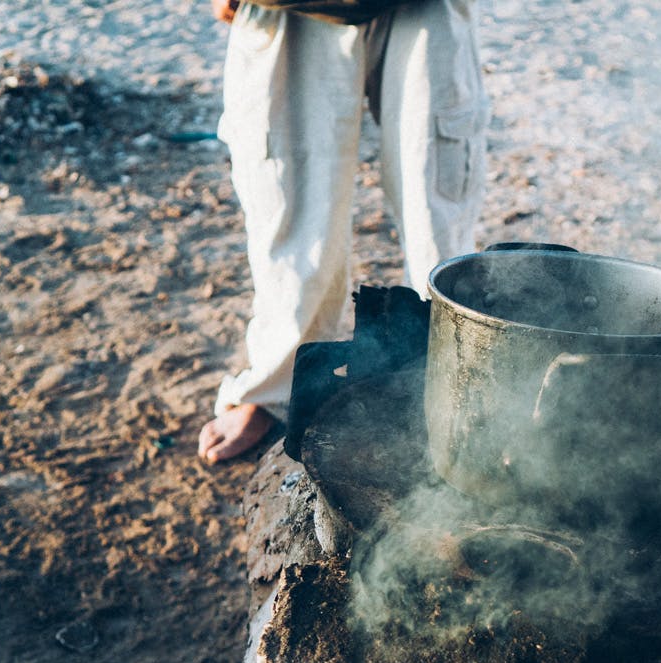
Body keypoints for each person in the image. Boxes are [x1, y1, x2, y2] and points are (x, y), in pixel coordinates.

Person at [199, 0, 488, 462]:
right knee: (289, 201)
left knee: (435, 202)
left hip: (421, 7)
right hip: (291, 13)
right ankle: (280, 384)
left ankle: (453, 384)